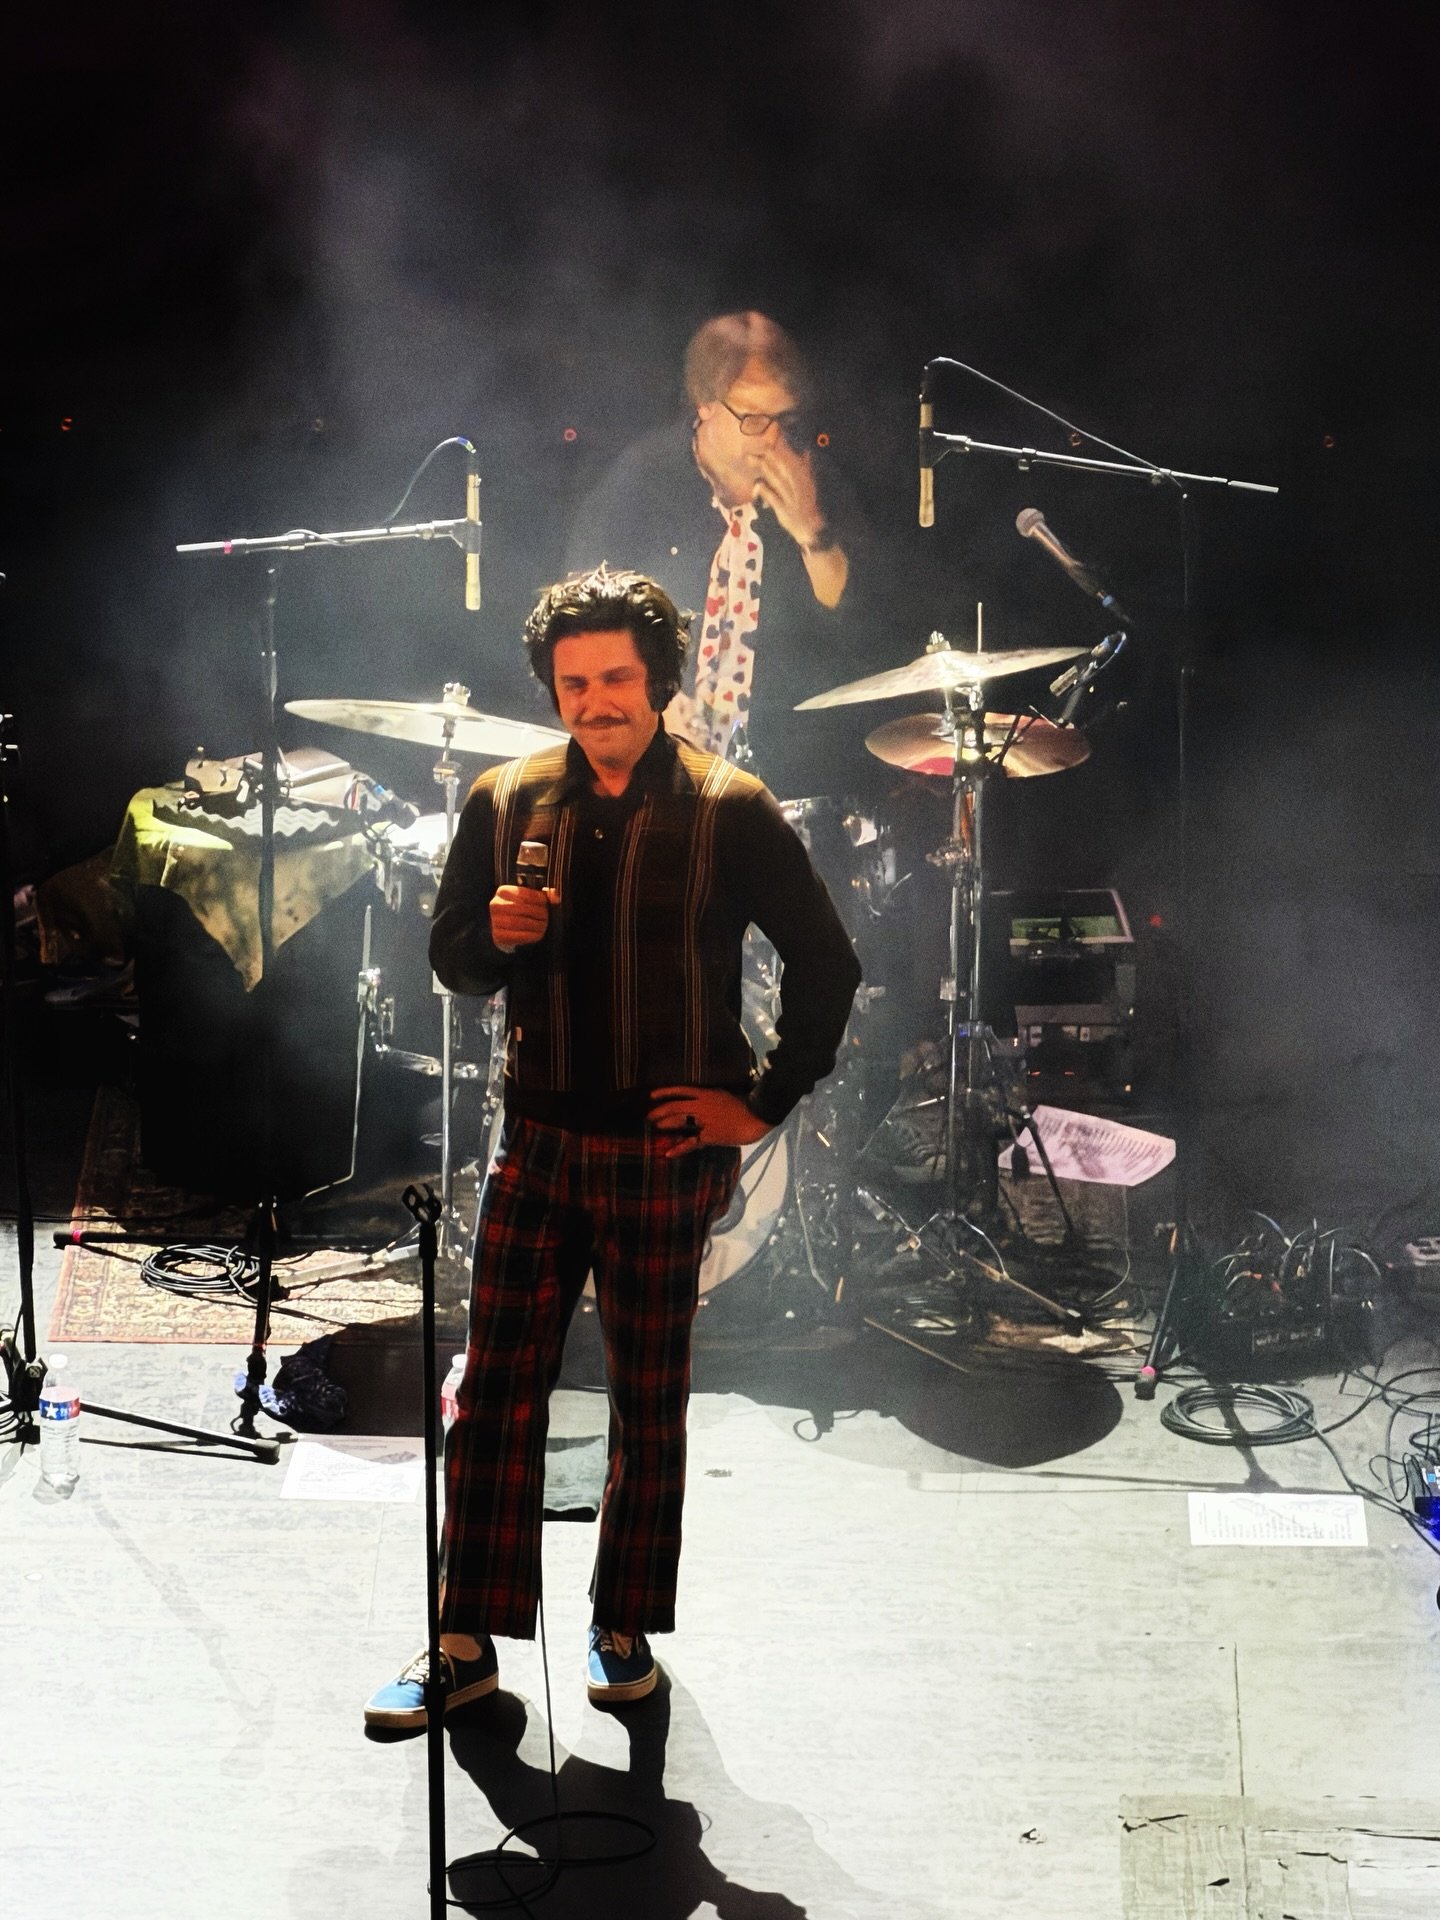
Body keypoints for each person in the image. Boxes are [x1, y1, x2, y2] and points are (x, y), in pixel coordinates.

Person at [364, 565, 861, 1727]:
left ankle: (621, 1624)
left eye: (619, 680)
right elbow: (453, 963)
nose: (596, 702)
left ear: (662, 681)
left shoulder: (730, 806)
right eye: (575, 682)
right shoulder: (503, 798)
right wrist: (490, 934)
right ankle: (461, 1641)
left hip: (659, 1149)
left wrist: (763, 1102)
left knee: (650, 1393)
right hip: (534, 1138)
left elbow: (827, 964)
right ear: (551, 684)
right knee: (493, 1391)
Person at [565, 311, 863, 793]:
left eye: (784, 418)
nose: (771, 437)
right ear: (704, 404)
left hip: (785, 785)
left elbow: (855, 627)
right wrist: (648, 700)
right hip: (654, 777)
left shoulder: (814, 482)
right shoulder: (639, 484)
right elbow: (579, 628)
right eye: (752, 417)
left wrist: (813, 533)